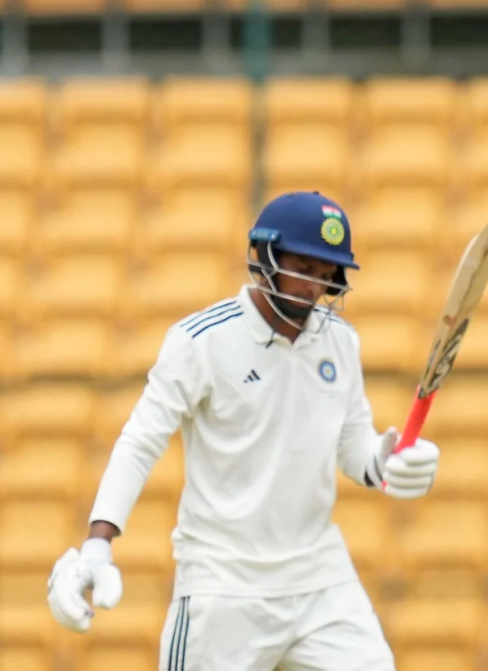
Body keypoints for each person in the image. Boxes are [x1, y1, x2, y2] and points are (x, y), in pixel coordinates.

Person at [46, 191, 441, 670]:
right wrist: (98, 542)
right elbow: (140, 439)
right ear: (265, 257)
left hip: (319, 578)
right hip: (223, 585)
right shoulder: (201, 341)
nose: (312, 288)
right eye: (302, 268)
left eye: (324, 276)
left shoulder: (340, 341)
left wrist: (390, 463)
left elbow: (354, 449)